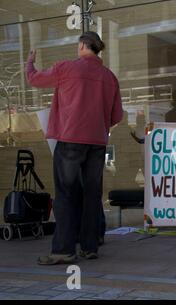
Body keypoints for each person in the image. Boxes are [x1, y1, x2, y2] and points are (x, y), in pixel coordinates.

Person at [26, 31, 123, 265]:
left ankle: (63, 250)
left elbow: (35, 80)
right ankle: (90, 247)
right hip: (97, 142)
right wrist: (97, 126)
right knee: (92, 195)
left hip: (70, 140)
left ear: (82, 45)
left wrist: (29, 63)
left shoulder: (66, 68)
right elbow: (116, 115)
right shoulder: (109, 77)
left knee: (66, 195)